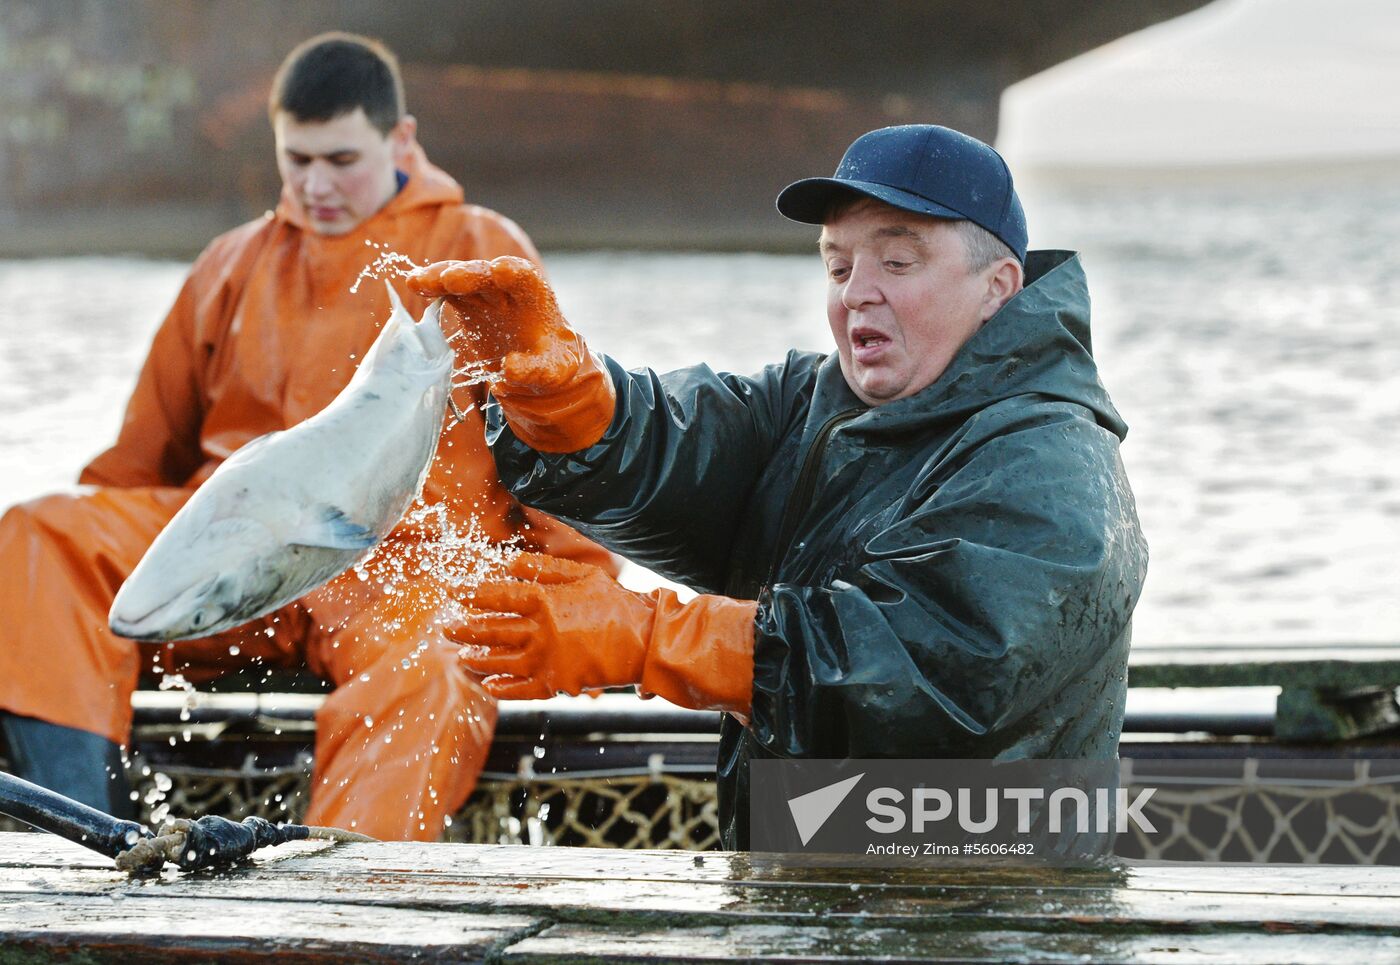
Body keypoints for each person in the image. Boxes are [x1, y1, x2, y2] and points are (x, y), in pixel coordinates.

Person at [410, 124, 1149, 848]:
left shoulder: (1050, 463)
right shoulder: (811, 401)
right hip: (811, 879)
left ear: (998, 286)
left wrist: (647, 636)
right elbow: (678, 446)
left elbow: (920, 673)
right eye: (837, 266)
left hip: (993, 906)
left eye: (897, 261)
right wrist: (570, 404)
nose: (857, 293)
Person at [0, 32, 617, 839]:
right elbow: (131, 466)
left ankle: (337, 900)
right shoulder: (231, 262)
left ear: (401, 140)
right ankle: (87, 840)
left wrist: (588, 599)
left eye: (340, 158)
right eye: (297, 160)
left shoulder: (479, 252)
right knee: (39, 536)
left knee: (436, 668)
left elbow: (555, 432)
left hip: (398, 574)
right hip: (234, 559)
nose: (316, 184)